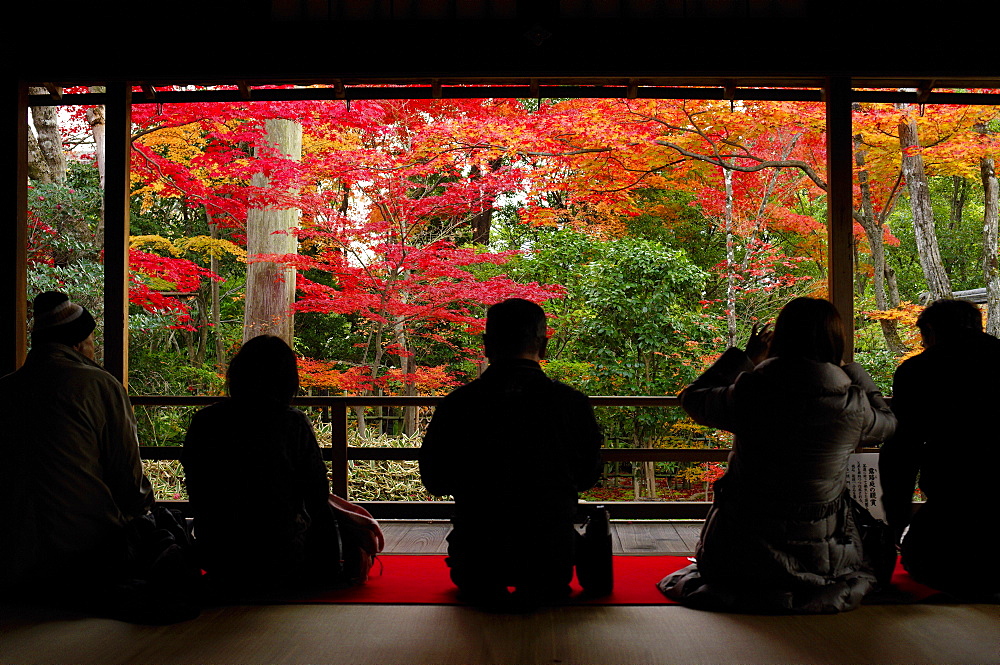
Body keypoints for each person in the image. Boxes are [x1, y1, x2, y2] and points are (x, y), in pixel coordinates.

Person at [658, 297, 896, 613]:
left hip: (740, 550)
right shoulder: (852, 404)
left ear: (782, 336)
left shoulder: (752, 391)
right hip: (825, 557)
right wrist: (854, 373)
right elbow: (890, 424)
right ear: (835, 340)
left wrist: (745, 358)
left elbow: (694, 398)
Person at [419, 298, 603, 609]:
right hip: (550, 557)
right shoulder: (571, 403)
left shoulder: (459, 404)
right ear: (543, 346)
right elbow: (587, 476)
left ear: (487, 346)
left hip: (476, 558)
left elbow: (435, 480)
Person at [0, 292, 155, 601]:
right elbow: (128, 478)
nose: (94, 349)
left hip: (10, 554)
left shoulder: (5, 388)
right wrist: (145, 511)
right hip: (86, 551)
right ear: (78, 343)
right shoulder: (98, 385)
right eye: (92, 341)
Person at [181, 334, 347, 598]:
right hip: (282, 552)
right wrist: (331, 564)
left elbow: (197, 492)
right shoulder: (292, 424)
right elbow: (317, 496)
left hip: (220, 553)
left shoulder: (206, 422)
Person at [880, 298, 1000, 602]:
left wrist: (897, 518)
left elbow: (901, 451)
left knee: (923, 561)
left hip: (953, 512)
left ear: (931, 331)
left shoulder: (919, 371)